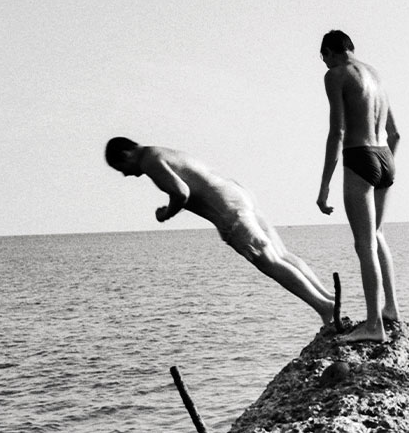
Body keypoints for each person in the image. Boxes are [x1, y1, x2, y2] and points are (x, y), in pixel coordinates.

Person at [104, 137, 335, 324]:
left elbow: (181, 192)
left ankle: (324, 307)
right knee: (283, 256)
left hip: (229, 212)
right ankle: (328, 299)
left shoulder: (149, 161)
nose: (125, 174)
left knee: (270, 262)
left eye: (120, 168)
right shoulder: (162, 151)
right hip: (239, 196)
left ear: (126, 155)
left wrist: (166, 214)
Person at [316, 29, 402, 343]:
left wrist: (324, 186)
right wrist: (385, 165)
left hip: (360, 154)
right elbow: (395, 134)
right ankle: (391, 308)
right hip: (385, 157)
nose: (324, 65)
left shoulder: (336, 75)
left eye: (323, 59)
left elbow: (337, 131)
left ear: (329, 52)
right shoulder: (375, 76)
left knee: (363, 244)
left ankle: (374, 326)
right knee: (377, 235)